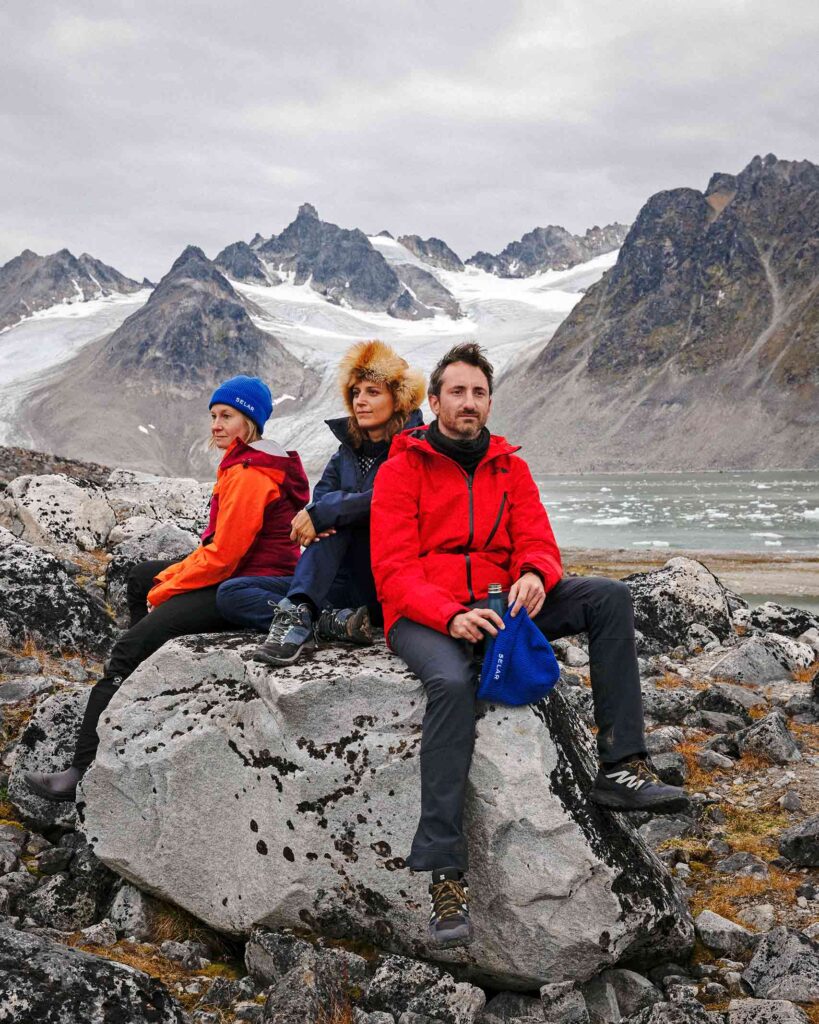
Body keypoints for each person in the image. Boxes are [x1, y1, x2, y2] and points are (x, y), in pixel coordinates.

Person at [370, 342, 688, 950]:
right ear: (433, 402)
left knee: (607, 598)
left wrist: (536, 574)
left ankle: (622, 767)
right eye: (457, 392)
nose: (469, 403)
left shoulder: (507, 466)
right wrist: (450, 616)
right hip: (424, 612)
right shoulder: (401, 469)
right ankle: (445, 874)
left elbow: (536, 538)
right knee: (451, 684)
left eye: (479, 393)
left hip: (501, 605)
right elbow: (393, 571)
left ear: (489, 402)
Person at [25, 374, 309, 802]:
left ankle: (79, 771)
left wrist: (168, 589)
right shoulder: (244, 461)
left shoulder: (253, 473)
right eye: (213, 415)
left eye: (226, 415)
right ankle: (147, 666)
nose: (215, 424)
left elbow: (223, 557)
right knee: (140, 575)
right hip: (238, 571)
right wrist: (164, 581)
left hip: (250, 581)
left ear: (248, 421)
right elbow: (218, 550)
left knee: (131, 636)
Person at [217, 339, 425, 665]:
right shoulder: (346, 451)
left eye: (373, 392)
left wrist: (329, 513)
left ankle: (301, 617)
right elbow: (320, 499)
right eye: (356, 393)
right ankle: (325, 620)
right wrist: (324, 512)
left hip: (385, 579)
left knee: (337, 519)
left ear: (398, 398)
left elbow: (393, 500)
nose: (361, 401)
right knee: (230, 593)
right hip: (335, 584)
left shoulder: (418, 447)